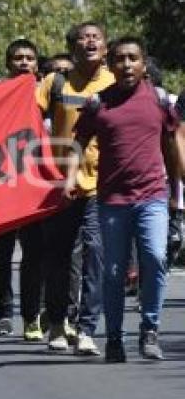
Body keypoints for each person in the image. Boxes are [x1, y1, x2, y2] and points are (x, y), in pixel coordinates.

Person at [69, 37, 178, 362]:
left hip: (152, 197)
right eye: (119, 59)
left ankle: (150, 330)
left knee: (155, 259)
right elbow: (78, 141)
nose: (126, 64)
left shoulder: (158, 100)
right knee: (114, 271)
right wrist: (69, 177)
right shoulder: (97, 103)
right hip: (112, 200)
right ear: (110, 65)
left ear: (144, 64)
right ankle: (114, 338)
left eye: (133, 58)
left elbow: (170, 145)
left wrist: (175, 187)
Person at [36, 21, 112, 356]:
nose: (90, 41)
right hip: (59, 184)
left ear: (105, 47)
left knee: (95, 254)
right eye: (83, 38)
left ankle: (86, 329)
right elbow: (23, 116)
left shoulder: (116, 83)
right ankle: (55, 323)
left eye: (96, 37)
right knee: (59, 257)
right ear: (73, 47)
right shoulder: (54, 82)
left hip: (102, 184)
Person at [0, 39, 45, 340]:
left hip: (36, 186)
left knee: (34, 254)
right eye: (17, 58)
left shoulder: (46, 94)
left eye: (29, 58)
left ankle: (31, 315)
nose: (24, 62)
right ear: (8, 64)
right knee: (2, 252)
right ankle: (4, 313)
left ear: (37, 64)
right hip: (3, 185)